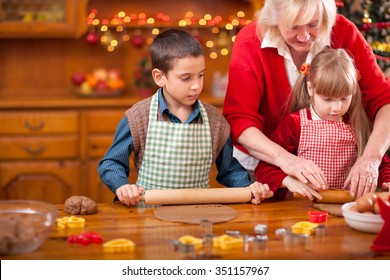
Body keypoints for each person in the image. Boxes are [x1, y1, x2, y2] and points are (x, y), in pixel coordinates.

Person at [223, 0, 390, 199]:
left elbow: (383, 100)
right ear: (274, 20)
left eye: (313, 24)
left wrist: (371, 158)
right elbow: (240, 120)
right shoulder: (250, 41)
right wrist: (286, 160)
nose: (304, 36)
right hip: (262, 165)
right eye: (294, 26)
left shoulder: (344, 32)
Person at [98, 29, 271, 206]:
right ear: (160, 77)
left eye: (201, 75)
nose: (196, 86)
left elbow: (229, 170)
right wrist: (122, 186)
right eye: (186, 78)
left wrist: (249, 187)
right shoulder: (139, 117)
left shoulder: (215, 122)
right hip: (149, 218)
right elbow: (111, 162)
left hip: (196, 217)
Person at [254, 48, 390, 201]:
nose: (337, 108)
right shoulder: (294, 123)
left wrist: (386, 181)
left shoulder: (356, 124)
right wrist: (288, 181)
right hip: (299, 208)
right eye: (328, 99)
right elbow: (264, 169)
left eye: (344, 98)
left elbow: (382, 165)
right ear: (310, 88)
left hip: (343, 207)